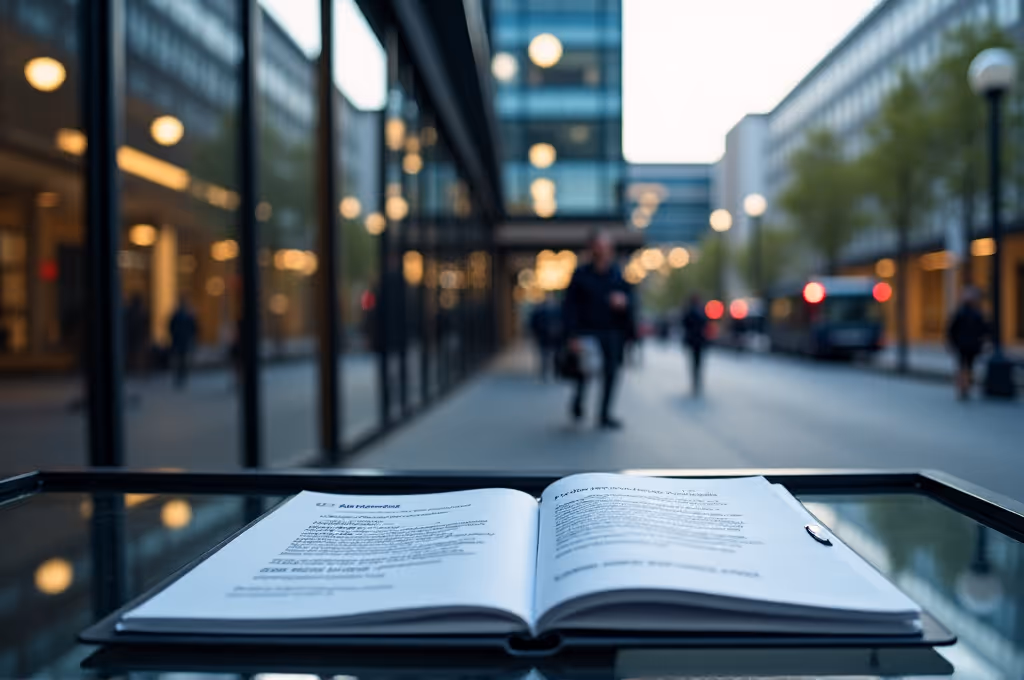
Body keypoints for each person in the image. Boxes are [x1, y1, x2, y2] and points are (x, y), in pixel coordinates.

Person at [562, 231, 634, 429]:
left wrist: (624, 303)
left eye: (606, 247)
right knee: (585, 371)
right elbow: (569, 307)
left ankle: (604, 414)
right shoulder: (581, 275)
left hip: (612, 332)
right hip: (587, 331)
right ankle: (578, 400)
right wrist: (572, 335)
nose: (603, 251)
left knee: (611, 373)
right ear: (592, 249)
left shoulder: (617, 275)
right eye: (599, 247)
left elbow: (631, 301)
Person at [947, 286, 989, 400]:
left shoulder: (969, 313)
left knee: (965, 366)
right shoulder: (969, 313)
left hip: (967, 345)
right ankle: (964, 386)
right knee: (966, 367)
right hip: (967, 345)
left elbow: (952, 330)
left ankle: (964, 386)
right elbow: (984, 329)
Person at [168, 296, 198, 389]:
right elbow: (171, 326)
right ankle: (180, 376)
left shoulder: (185, 315)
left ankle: (181, 376)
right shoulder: (180, 315)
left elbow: (193, 327)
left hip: (182, 340)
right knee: (180, 359)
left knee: (182, 359)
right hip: (180, 340)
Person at [529, 297, 562, 381]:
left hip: (554, 337)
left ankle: (554, 372)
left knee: (554, 355)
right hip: (545, 336)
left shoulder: (559, 310)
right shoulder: (541, 311)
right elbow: (534, 323)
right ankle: (547, 372)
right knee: (546, 355)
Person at [682, 294, 709, 395]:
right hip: (699, 341)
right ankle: (697, 381)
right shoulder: (701, 312)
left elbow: (684, 323)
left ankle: (695, 381)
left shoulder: (689, 311)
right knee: (698, 362)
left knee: (694, 362)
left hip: (693, 341)